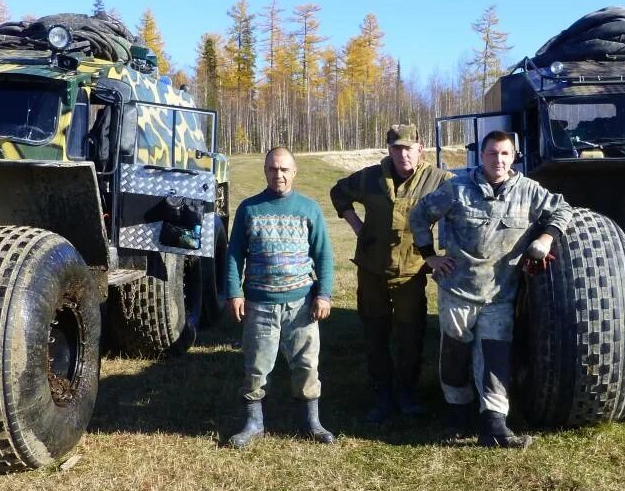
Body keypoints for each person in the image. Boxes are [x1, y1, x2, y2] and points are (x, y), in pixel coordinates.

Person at [409, 130, 572, 449]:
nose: (498, 160)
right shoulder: (457, 188)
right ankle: (457, 412)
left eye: (505, 154)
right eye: (492, 153)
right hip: (458, 290)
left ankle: (494, 424)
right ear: (481, 157)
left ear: (514, 157)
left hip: (499, 295)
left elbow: (562, 209)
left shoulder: (528, 191)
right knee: (455, 355)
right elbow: (419, 214)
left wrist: (546, 237)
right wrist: (429, 256)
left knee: (496, 359)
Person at [329, 124, 452, 422]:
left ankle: (407, 392)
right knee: (375, 332)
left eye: (408, 148)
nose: (402, 154)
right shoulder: (371, 177)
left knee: (411, 334)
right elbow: (339, 192)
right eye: (397, 148)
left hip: (410, 272)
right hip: (372, 269)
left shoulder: (438, 180)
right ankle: (382, 393)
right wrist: (357, 226)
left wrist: (440, 254)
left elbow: (465, 205)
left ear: (420, 149)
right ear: (389, 150)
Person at [225, 147, 335, 449]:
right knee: (256, 367)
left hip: (301, 305)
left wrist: (324, 295)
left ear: (294, 172)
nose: (279, 175)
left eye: (285, 169)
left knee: (306, 365)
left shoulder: (309, 208)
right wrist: (234, 292)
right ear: (265, 171)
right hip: (259, 303)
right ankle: (254, 423)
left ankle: (311, 422)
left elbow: (324, 255)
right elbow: (234, 255)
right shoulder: (249, 209)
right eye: (273, 169)